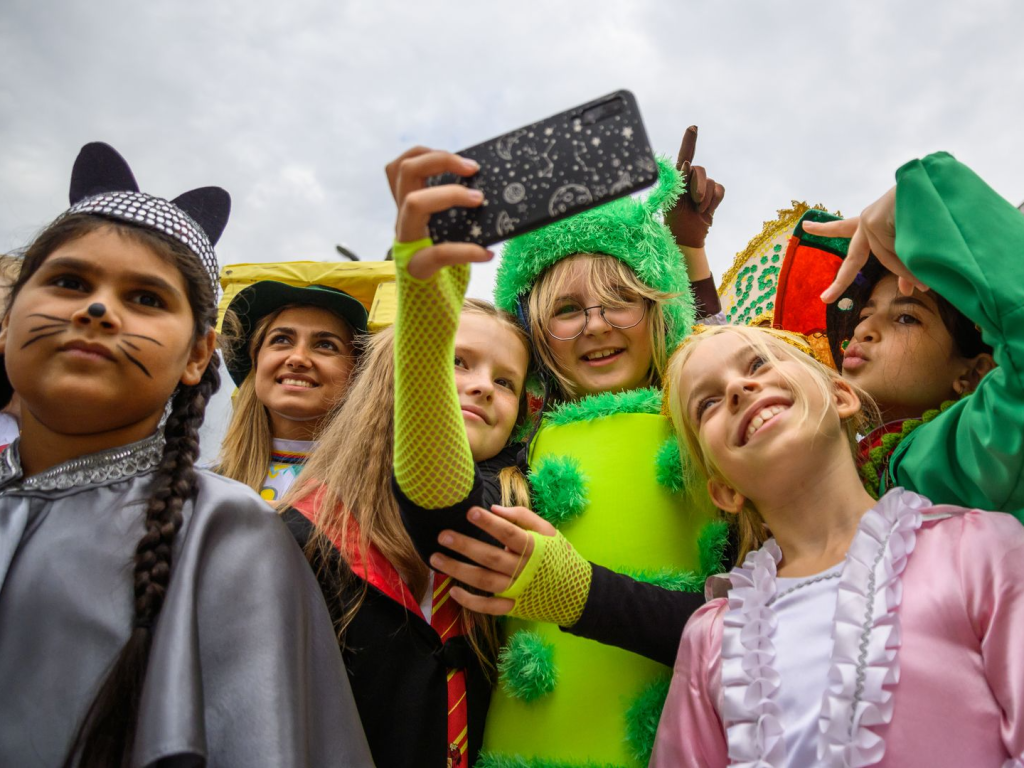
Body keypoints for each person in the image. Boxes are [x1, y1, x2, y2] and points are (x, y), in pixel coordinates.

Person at [0, 142, 371, 768]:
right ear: (7, 319)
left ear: (197, 356)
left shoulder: (225, 528)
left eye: (146, 298)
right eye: (68, 281)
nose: (96, 310)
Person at [436, 131, 726, 766]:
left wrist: (692, 248)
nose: (596, 324)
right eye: (567, 310)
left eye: (623, 300)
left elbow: (722, 355)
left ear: (661, 312)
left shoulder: (708, 428)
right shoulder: (513, 446)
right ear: (537, 333)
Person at [650, 323, 1024, 767]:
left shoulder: (979, 549)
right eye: (707, 403)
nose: (738, 388)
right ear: (725, 491)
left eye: (760, 363)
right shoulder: (711, 640)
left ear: (842, 396)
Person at [800, 152, 1024, 516]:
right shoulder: (849, 469)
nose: (863, 329)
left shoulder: (964, 450)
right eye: (866, 312)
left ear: (973, 373)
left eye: (906, 318)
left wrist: (929, 203)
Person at [217, 280, 367, 500]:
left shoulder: (383, 497)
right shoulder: (196, 490)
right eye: (282, 339)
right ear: (256, 361)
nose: (297, 358)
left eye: (326, 345)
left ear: (358, 372)